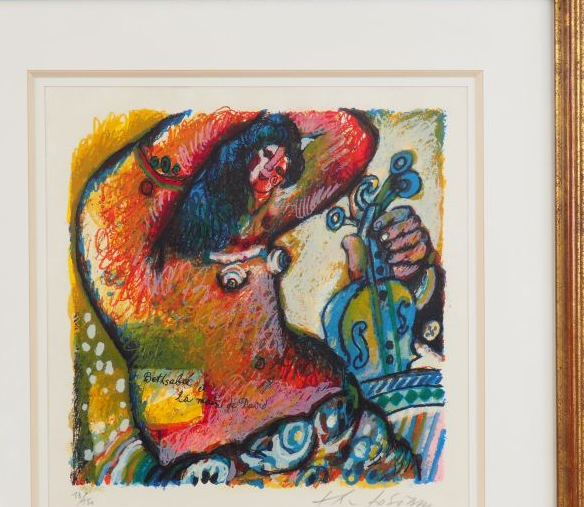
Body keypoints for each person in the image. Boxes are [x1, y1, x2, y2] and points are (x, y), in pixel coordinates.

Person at [75, 107, 439, 485]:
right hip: (227, 474)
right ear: (219, 158)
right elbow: (112, 204)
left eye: (282, 165)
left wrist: (272, 120)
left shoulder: (256, 221)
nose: (274, 174)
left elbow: (351, 140)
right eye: (264, 157)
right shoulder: (139, 274)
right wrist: (236, 109)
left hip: (345, 428)